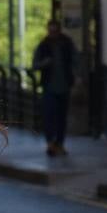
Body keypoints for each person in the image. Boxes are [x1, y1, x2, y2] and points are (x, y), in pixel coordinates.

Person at [32, 18, 77, 156]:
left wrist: (77, 76)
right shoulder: (43, 45)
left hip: (64, 85)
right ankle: (51, 143)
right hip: (49, 86)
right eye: (51, 31)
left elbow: (75, 60)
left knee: (61, 116)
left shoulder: (67, 44)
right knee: (50, 115)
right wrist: (44, 63)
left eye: (55, 31)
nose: (53, 33)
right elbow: (35, 64)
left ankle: (59, 143)